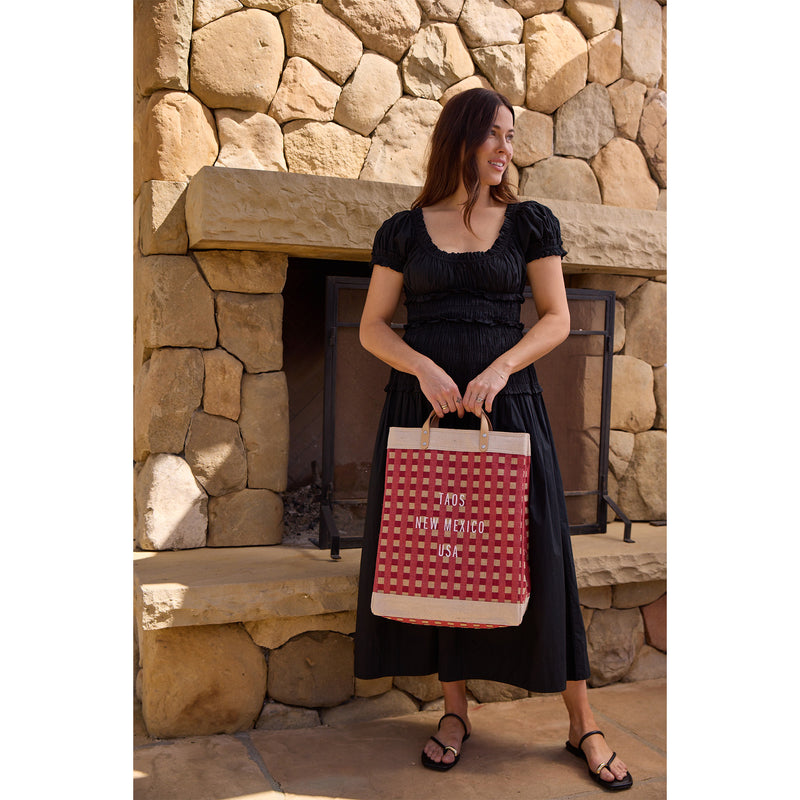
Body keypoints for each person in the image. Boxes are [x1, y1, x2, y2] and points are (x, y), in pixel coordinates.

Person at [354, 87, 632, 791]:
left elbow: (556, 317)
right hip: (424, 408)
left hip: (508, 410)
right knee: (441, 552)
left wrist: (501, 368)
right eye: (498, 137)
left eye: (512, 138)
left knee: (543, 553)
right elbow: (373, 326)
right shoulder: (403, 230)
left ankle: (581, 720)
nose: (508, 151)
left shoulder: (531, 223)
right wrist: (422, 368)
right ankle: (455, 711)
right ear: (464, 137)